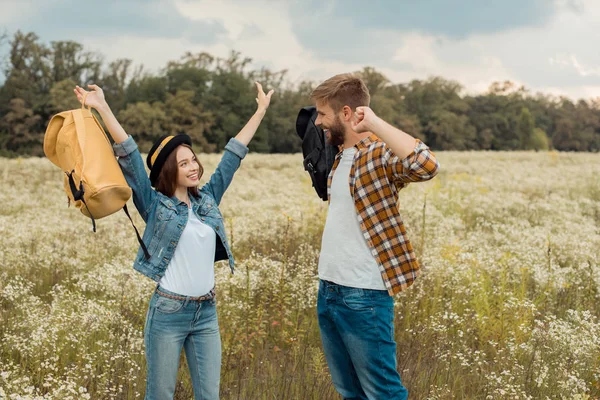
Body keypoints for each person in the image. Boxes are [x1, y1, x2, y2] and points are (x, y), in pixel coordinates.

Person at [73, 82, 274, 400]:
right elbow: (129, 155)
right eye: (184, 163)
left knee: (210, 396)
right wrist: (102, 107)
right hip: (168, 313)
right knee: (161, 395)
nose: (194, 167)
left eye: (193, 159)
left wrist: (260, 111)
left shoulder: (207, 199)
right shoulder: (154, 205)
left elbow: (232, 156)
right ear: (169, 170)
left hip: (206, 312)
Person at [312, 74, 439, 400]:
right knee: (349, 391)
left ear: (345, 113)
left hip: (363, 295)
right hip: (329, 290)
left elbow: (426, 165)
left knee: (383, 392)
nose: (317, 121)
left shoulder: (379, 153)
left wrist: (375, 123)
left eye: (323, 114)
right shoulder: (340, 157)